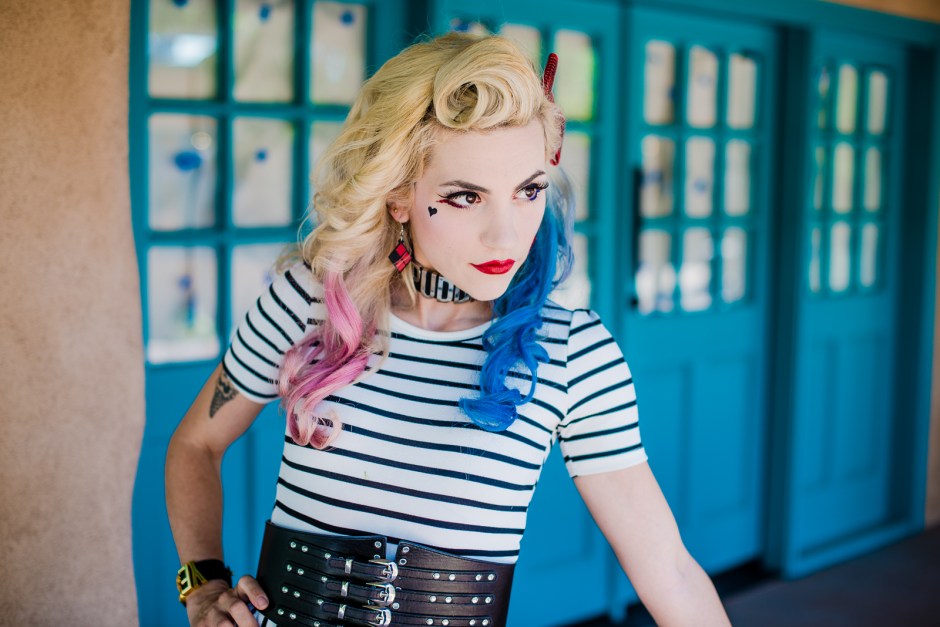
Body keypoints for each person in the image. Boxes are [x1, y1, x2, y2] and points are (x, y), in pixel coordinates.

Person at [165, 31, 731, 627]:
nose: (506, 235)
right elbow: (195, 445)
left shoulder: (572, 355)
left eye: (528, 191)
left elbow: (670, 573)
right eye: (465, 197)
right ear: (398, 196)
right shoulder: (309, 301)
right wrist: (200, 586)